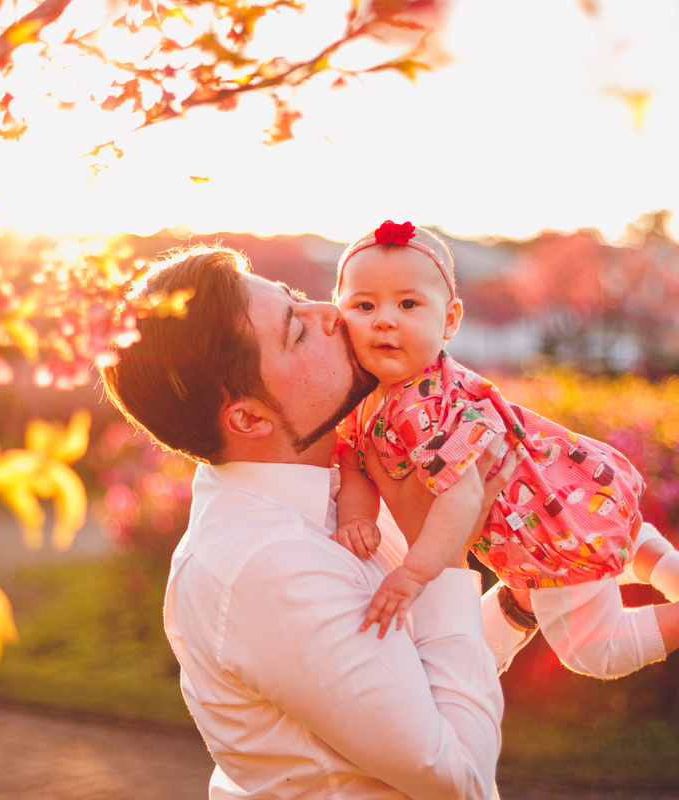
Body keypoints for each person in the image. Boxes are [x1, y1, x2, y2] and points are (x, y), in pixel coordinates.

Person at [101, 244, 539, 799]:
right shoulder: (268, 565)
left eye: (297, 298)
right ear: (249, 418)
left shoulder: (338, 485)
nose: (330, 314)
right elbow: (458, 777)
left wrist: (515, 606)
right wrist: (447, 561)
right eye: (297, 332)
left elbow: (414, 675)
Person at [330, 220, 679, 680]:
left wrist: (415, 573)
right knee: (612, 536)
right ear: (338, 313)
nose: (384, 319)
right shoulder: (365, 397)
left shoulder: (429, 404)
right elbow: (352, 459)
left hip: (541, 531)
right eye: (364, 305)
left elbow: (463, 497)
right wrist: (355, 516)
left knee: (595, 652)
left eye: (408, 304)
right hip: (557, 498)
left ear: (449, 320)